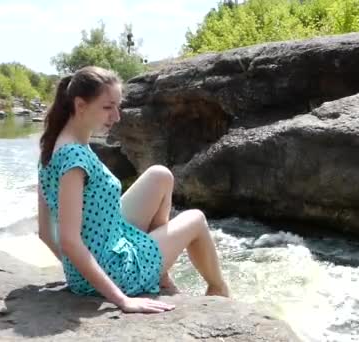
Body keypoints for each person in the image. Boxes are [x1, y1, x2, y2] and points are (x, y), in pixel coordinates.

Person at [36, 66, 229, 314]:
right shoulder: (74, 158)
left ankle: (160, 274)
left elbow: (44, 232)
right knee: (196, 219)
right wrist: (122, 299)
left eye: (118, 106)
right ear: (80, 105)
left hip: (103, 248)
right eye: (107, 107)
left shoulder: (50, 149)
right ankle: (219, 291)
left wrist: (75, 273)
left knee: (160, 175)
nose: (116, 117)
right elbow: (69, 240)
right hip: (115, 271)